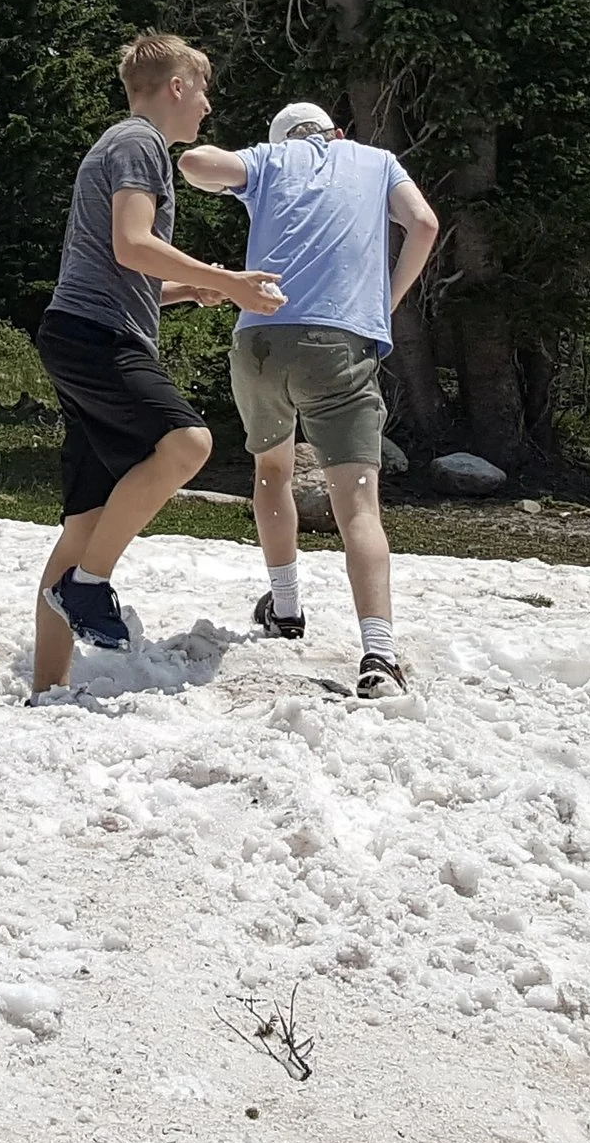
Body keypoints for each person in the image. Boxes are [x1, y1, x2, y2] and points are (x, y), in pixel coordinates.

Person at [31, 34, 288, 696]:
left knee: (85, 524)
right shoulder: (139, 144)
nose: (206, 106)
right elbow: (133, 242)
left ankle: (48, 687)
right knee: (188, 441)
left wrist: (185, 289)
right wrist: (226, 280)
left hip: (80, 329)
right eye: (202, 91)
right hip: (96, 337)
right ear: (176, 86)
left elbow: (120, 265)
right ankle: (90, 588)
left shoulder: (124, 145)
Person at [180, 100, 440, 699]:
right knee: (357, 505)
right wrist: (385, 302)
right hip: (340, 338)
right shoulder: (377, 161)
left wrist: (239, 168)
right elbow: (423, 225)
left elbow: (195, 163)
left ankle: (287, 609)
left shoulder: (270, 160)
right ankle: (378, 654)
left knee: (271, 470)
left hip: (260, 338)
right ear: (337, 133)